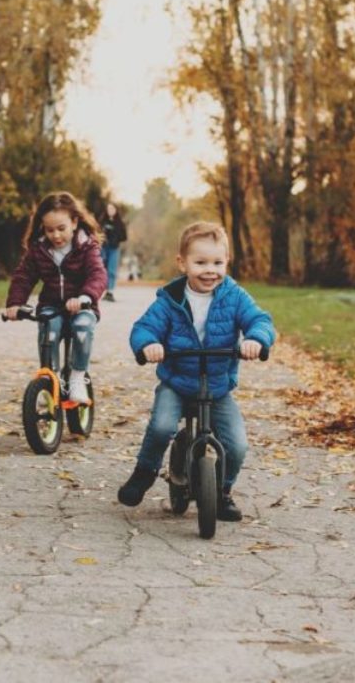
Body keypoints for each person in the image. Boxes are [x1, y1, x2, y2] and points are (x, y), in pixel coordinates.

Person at [118, 221, 276, 521]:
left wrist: (256, 339)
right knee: (162, 425)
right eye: (200, 262)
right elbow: (144, 328)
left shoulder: (235, 296)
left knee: (237, 443)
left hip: (216, 386)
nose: (210, 270)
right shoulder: (169, 300)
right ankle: (145, 471)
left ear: (227, 262)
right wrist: (149, 345)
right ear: (182, 263)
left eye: (218, 262)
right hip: (176, 382)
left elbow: (260, 320)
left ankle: (222, 491)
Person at [4, 192, 107, 403]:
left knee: (82, 326)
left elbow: (98, 274)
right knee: (49, 329)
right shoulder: (39, 250)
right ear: (42, 227)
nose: (56, 236)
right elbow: (24, 276)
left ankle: (78, 377)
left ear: (74, 222)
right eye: (50, 230)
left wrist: (85, 296)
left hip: (82, 306)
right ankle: (51, 378)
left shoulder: (87, 247)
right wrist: (15, 303)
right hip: (51, 305)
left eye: (61, 229)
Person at [98, 203, 127, 302]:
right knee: (102, 269)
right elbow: (97, 233)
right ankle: (101, 291)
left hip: (114, 249)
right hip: (103, 249)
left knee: (112, 270)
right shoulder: (102, 221)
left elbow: (124, 237)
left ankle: (110, 292)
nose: (110, 210)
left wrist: (116, 237)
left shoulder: (119, 223)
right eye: (108, 208)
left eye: (112, 208)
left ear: (116, 210)